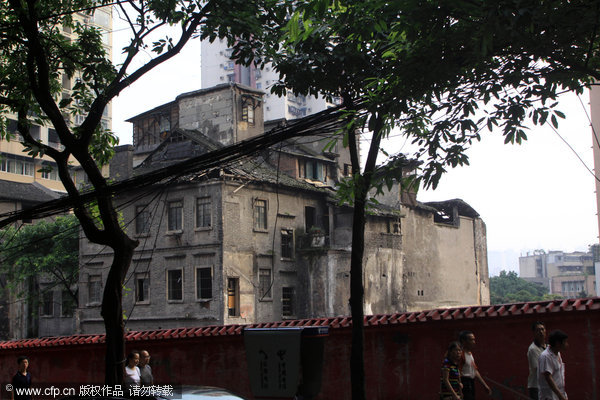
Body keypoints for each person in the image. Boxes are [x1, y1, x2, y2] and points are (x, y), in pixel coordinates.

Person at [459, 331, 491, 400]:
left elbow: (475, 370)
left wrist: (484, 385)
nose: (474, 342)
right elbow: (457, 371)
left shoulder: (470, 354)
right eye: (471, 340)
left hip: (471, 383)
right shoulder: (460, 354)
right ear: (463, 341)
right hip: (464, 383)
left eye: (474, 339)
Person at [538, 330, 568, 400]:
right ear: (558, 343)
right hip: (550, 396)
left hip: (558, 395)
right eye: (565, 342)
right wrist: (560, 396)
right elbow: (548, 377)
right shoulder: (546, 356)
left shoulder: (557, 354)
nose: (566, 344)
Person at [527, 322, 547, 399]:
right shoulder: (533, 349)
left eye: (542, 329)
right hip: (536, 386)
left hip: (546, 385)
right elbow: (538, 368)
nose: (541, 332)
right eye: (538, 330)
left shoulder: (548, 347)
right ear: (534, 333)